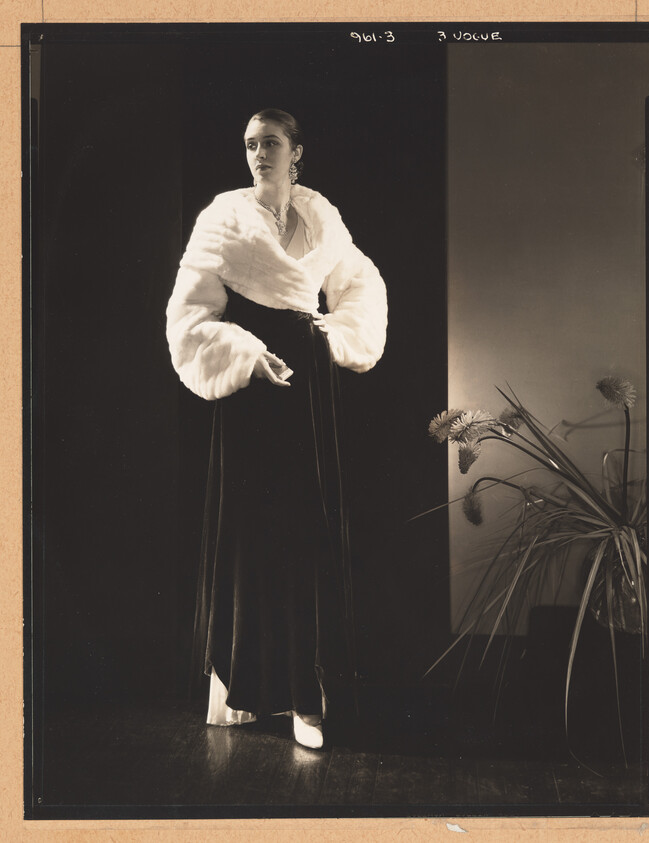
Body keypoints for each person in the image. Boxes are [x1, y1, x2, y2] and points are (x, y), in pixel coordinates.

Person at [166, 108, 387, 749]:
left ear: (297, 154)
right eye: (250, 144)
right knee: (254, 536)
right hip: (253, 397)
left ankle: (304, 702)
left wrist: (333, 335)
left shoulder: (322, 221)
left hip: (309, 392)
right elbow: (188, 317)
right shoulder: (222, 221)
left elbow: (361, 287)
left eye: (271, 143)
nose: (259, 153)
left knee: (306, 536)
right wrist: (243, 353)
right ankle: (250, 691)